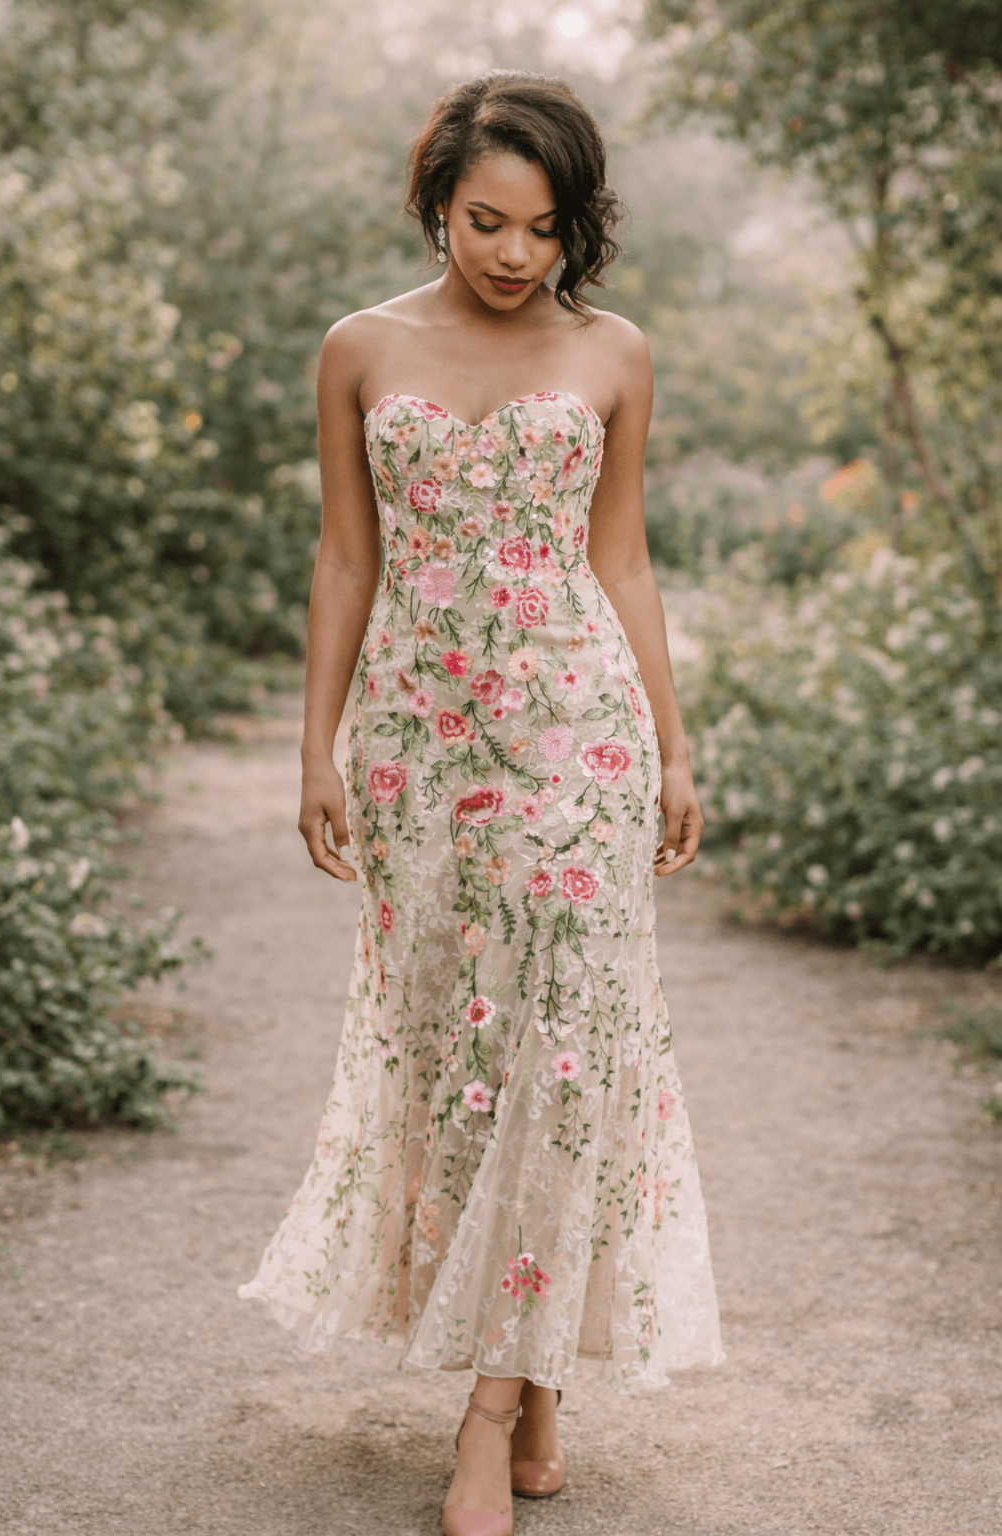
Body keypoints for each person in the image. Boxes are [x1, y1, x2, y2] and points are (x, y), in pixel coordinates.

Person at [239, 69, 723, 1536]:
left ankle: (488, 1410)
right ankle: (537, 1372)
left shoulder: (617, 353)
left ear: (582, 225)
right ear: (437, 204)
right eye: (486, 221)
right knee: (467, 1050)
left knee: (572, 1047)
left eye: (546, 227)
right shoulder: (359, 349)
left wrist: (677, 748)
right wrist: (316, 746)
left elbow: (624, 559)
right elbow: (343, 559)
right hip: (420, 753)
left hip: (578, 736)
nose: (516, 255)